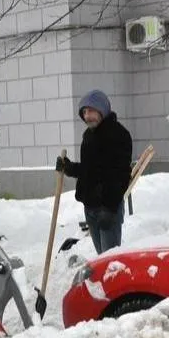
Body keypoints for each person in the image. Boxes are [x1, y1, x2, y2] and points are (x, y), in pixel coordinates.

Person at [56, 89, 133, 254]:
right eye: (84, 112)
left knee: (110, 261)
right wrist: (68, 168)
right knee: (101, 258)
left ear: (102, 110)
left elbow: (120, 174)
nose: (87, 116)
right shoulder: (89, 136)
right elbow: (89, 170)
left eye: (90, 111)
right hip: (91, 207)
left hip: (108, 209)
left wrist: (110, 208)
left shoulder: (119, 135)